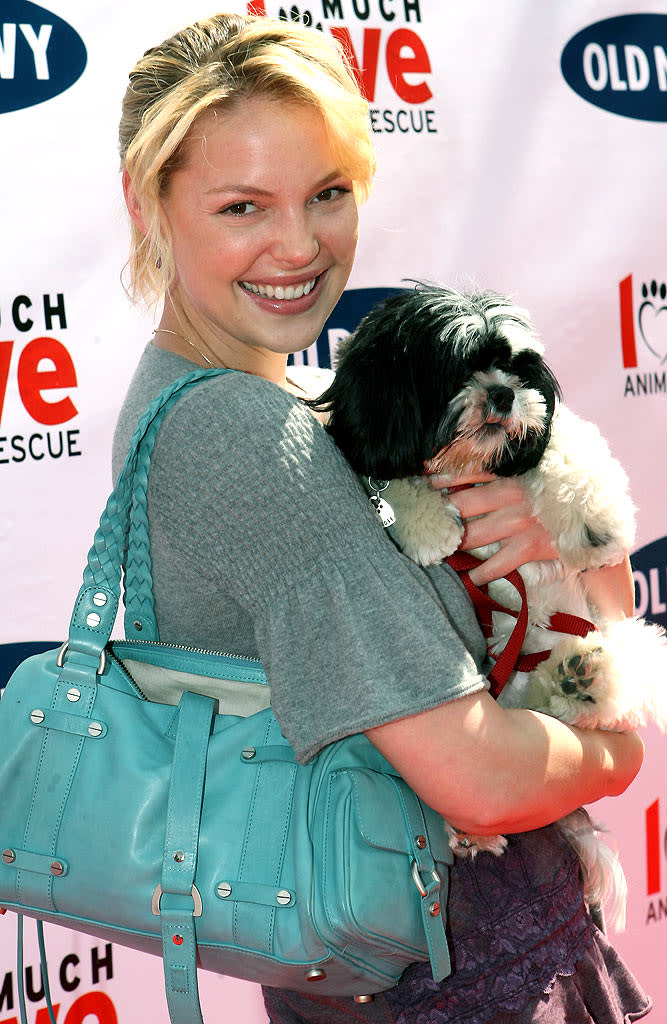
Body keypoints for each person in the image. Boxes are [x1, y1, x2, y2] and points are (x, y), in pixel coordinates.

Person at [114, 12, 650, 1024]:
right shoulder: (245, 437)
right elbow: (482, 781)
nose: (298, 243)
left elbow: (578, 595)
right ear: (150, 204)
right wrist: (618, 753)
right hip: (452, 980)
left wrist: (551, 545)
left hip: (416, 962)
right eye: (241, 206)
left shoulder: (201, 395)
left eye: (327, 194)